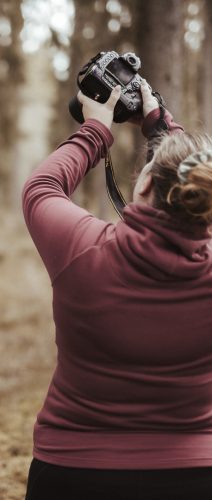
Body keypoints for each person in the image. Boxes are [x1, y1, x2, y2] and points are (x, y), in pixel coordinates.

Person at [22, 81, 212, 500]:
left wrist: (97, 128)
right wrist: (165, 130)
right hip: (196, 476)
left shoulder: (83, 250)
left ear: (143, 188)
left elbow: (41, 188)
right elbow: (195, 191)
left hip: (73, 473)